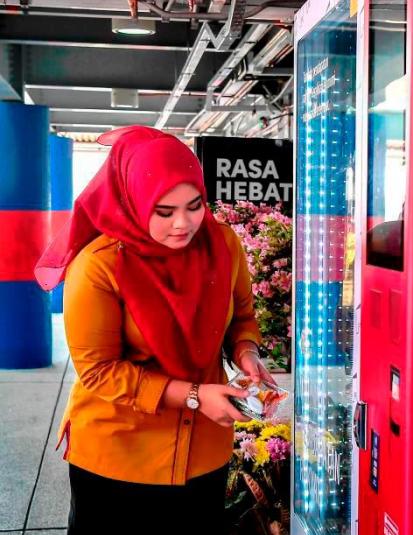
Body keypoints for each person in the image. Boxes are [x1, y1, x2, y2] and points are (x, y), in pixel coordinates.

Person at [34, 125, 276, 534]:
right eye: (164, 211)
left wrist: (246, 353)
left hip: (203, 453)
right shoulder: (99, 265)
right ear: (132, 200)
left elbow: (242, 318)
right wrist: (196, 395)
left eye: (194, 206)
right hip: (119, 456)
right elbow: (99, 371)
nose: (183, 223)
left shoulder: (222, 245)